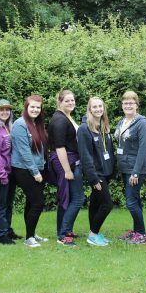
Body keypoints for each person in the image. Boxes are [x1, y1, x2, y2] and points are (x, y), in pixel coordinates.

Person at [48, 90, 85, 247]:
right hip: (65, 162)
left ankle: (65, 229)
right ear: (60, 102)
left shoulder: (66, 116)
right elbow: (60, 147)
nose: (71, 103)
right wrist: (67, 170)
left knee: (69, 197)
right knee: (76, 198)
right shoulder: (59, 120)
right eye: (67, 101)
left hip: (71, 160)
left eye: (72, 100)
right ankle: (63, 235)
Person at [11, 95, 49, 248]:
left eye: (38, 107)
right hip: (24, 169)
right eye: (32, 107)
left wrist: (42, 168)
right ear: (26, 107)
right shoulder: (20, 124)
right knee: (38, 202)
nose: (35, 109)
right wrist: (35, 172)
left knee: (31, 202)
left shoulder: (37, 123)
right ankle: (29, 238)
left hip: (39, 167)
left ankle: (32, 234)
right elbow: (24, 151)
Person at [77, 97, 115, 246]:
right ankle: (93, 235)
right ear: (89, 109)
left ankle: (95, 233)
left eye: (100, 106)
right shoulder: (84, 128)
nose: (98, 109)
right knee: (107, 204)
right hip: (96, 174)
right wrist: (93, 178)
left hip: (105, 173)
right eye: (95, 107)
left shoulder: (103, 126)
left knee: (95, 204)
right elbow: (85, 156)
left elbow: (108, 151)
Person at [114, 91, 146, 244]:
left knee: (130, 202)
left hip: (135, 169)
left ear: (136, 105)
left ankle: (141, 234)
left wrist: (135, 172)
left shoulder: (141, 123)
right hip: (125, 167)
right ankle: (136, 231)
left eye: (131, 103)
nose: (128, 105)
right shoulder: (122, 121)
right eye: (125, 103)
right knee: (134, 199)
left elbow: (143, 149)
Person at [0, 99, 21, 245]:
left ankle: (7, 230)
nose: (5, 112)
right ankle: (1, 235)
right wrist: (1, 173)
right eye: (1, 110)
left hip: (10, 172)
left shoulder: (8, 126)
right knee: (1, 205)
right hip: (0, 173)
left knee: (8, 204)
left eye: (7, 109)